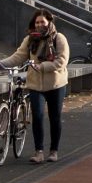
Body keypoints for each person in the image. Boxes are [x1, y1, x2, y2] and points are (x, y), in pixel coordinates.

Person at [16, 11, 71, 163]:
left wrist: (42, 66)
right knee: (38, 117)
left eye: (43, 22)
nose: (40, 25)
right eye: (37, 22)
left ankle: (54, 150)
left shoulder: (59, 38)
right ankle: (39, 152)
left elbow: (62, 61)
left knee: (55, 117)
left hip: (55, 84)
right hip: (35, 85)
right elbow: (19, 56)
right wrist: (0, 63)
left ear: (49, 23)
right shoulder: (30, 39)